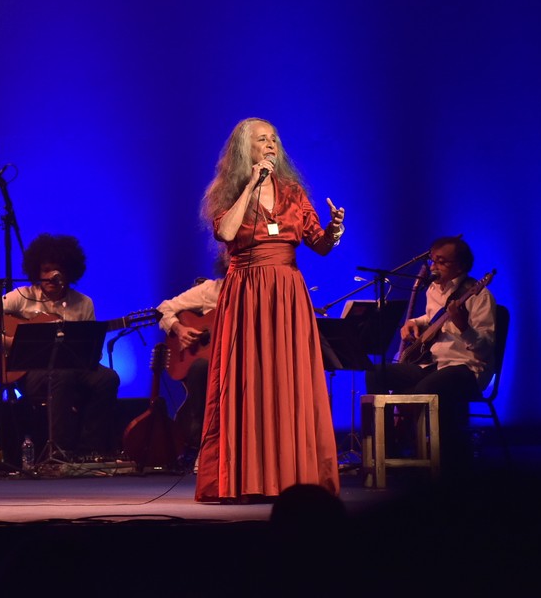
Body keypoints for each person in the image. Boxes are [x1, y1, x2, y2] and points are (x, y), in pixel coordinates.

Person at [194, 116, 346, 503]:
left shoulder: (293, 193)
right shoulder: (228, 194)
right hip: (245, 294)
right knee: (248, 382)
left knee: (289, 381)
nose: (271, 144)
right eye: (262, 140)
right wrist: (251, 186)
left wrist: (334, 230)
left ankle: (293, 478)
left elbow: (320, 245)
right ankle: (246, 477)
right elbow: (226, 233)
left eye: (274, 138)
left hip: (286, 293)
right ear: (245, 149)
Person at [0, 233, 121, 461]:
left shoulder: (83, 303)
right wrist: (5, 340)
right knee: (62, 376)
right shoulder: (23, 296)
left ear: (68, 272)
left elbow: (91, 352)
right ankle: (59, 452)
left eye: (57, 270)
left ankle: (90, 449)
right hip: (33, 370)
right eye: (46, 269)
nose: (51, 276)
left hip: (75, 368)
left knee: (109, 378)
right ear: (37, 271)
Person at [364, 234, 496, 478]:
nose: (433, 266)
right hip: (434, 364)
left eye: (441, 262)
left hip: (466, 368)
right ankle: (388, 451)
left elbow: (486, 347)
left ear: (460, 266)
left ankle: (432, 462)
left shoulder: (479, 296)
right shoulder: (434, 290)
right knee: (376, 372)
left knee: (425, 389)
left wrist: (463, 325)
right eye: (432, 260)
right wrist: (413, 322)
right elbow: (432, 318)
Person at [155, 249, 228, 462]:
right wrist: (179, 329)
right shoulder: (210, 290)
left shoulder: (258, 291)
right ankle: (198, 443)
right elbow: (163, 309)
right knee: (201, 368)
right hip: (209, 364)